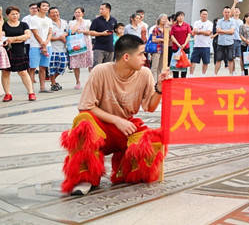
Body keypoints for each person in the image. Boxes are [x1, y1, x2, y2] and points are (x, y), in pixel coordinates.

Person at [59, 34, 170, 195]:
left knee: (151, 140)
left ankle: (125, 172)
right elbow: (85, 107)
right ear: (126, 57)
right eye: (141, 54)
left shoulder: (145, 74)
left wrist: (159, 88)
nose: (145, 58)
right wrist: (117, 121)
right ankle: (85, 177)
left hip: (126, 128)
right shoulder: (101, 71)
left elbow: (150, 107)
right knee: (83, 121)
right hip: (100, 128)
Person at [1, 6, 36, 101]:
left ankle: (31, 92)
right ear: (7, 15)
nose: (15, 16)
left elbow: (27, 35)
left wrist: (13, 39)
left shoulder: (23, 24)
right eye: (13, 14)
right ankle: (7, 94)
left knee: (23, 72)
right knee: (5, 72)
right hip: (7, 51)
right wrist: (19, 38)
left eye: (17, 14)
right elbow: (3, 38)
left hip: (20, 50)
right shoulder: (4, 25)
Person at [28, 0, 53, 94]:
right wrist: (42, 44)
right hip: (35, 46)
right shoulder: (33, 19)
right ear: (38, 8)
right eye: (43, 6)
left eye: (47, 6)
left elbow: (50, 32)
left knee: (43, 67)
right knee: (33, 68)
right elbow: (35, 33)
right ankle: (30, 89)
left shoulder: (48, 20)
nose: (46, 7)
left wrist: (46, 43)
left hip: (48, 45)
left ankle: (42, 87)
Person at [68, 7, 93, 88]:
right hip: (76, 44)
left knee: (90, 62)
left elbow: (91, 32)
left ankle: (92, 81)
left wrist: (82, 31)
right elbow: (72, 31)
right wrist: (78, 22)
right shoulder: (71, 22)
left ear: (83, 13)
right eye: (76, 12)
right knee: (76, 64)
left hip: (86, 43)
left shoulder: (87, 22)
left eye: (79, 12)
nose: (77, 14)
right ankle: (77, 81)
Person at [88, 3, 117, 67]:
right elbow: (91, 33)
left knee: (108, 68)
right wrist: (102, 33)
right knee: (97, 67)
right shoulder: (96, 21)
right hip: (99, 48)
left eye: (102, 9)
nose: (100, 11)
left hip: (110, 48)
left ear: (108, 10)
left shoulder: (114, 20)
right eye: (100, 9)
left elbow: (116, 31)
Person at [47, 7, 69, 92]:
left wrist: (64, 35)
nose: (55, 14)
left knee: (62, 66)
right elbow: (47, 37)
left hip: (63, 49)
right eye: (53, 13)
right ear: (49, 15)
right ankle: (53, 83)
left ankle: (53, 81)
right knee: (52, 68)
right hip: (52, 49)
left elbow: (68, 32)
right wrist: (59, 38)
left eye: (56, 12)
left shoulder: (64, 22)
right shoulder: (48, 23)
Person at [191, 9, 213, 76]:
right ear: (200, 15)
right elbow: (194, 32)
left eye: (206, 14)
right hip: (197, 45)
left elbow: (208, 33)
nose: (205, 16)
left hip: (206, 46)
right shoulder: (196, 22)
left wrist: (199, 32)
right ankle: (191, 75)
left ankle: (203, 75)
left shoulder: (210, 23)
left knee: (205, 62)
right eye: (203, 14)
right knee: (193, 61)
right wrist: (203, 32)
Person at [148, 14, 169, 81]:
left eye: (166, 19)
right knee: (154, 67)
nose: (164, 20)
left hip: (164, 50)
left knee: (161, 67)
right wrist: (162, 40)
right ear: (159, 19)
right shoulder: (156, 29)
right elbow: (153, 39)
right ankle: (153, 82)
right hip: (157, 49)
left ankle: (158, 81)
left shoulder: (166, 29)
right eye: (163, 18)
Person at [170, 11, 191, 78]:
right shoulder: (174, 26)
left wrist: (184, 44)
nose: (181, 17)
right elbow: (172, 36)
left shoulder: (187, 25)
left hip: (185, 47)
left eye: (182, 16)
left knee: (184, 65)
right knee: (175, 65)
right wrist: (178, 44)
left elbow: (189, 35)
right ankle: (175, 80)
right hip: (176, 48)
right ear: (176, 17)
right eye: (179, 16)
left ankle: (183, 80)